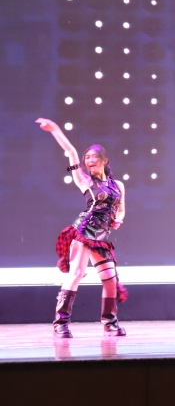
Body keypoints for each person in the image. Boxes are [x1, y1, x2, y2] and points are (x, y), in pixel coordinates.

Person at [36, 118, 128, 338]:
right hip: (84, 232)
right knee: (76, 273)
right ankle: (61, 323)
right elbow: (70, 151)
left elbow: (121, 209)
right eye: (87, 157)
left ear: (105, 160)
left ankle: (109, 322)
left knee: (111, 279)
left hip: (102, 237)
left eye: (94, 156)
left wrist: (118, 219)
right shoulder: (85, 181)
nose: (89, 160)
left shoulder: (118, 185)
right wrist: (55, 129)